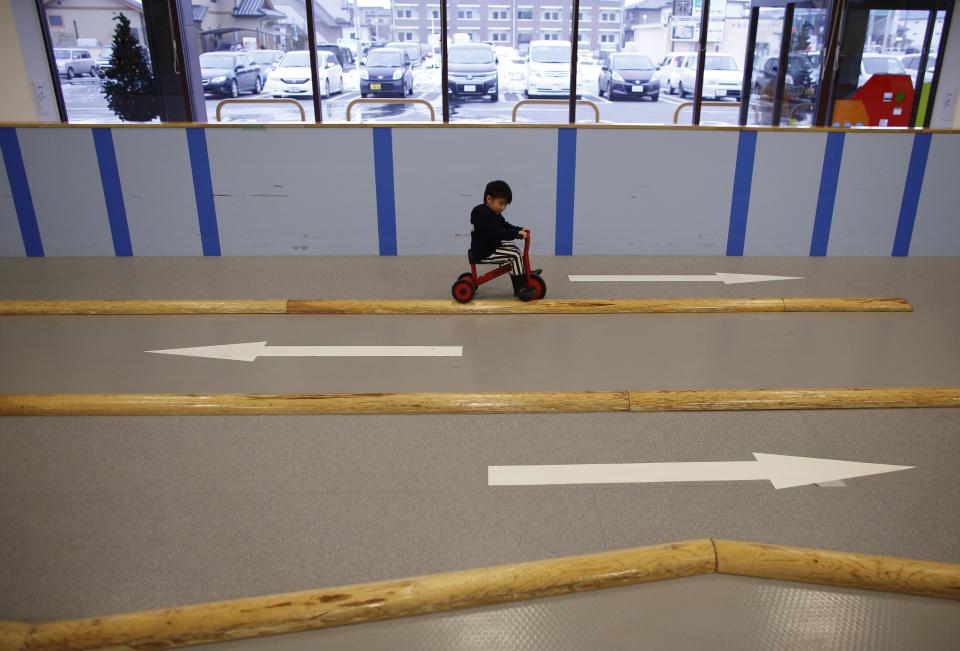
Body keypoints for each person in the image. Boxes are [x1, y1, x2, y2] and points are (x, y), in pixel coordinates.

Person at [469, 180, 537, 301]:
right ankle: (520, 288)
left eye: (505, 205)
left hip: (489, 245)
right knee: (514, 255)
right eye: (501, 203)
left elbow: (504, 225)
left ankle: (523, 273)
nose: (503, 207)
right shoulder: (484, 216)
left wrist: (519, 229)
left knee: (514, 248)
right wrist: (515, 234)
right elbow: (498, 232)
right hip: (484, 252)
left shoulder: (493, 212)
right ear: (489, 199)